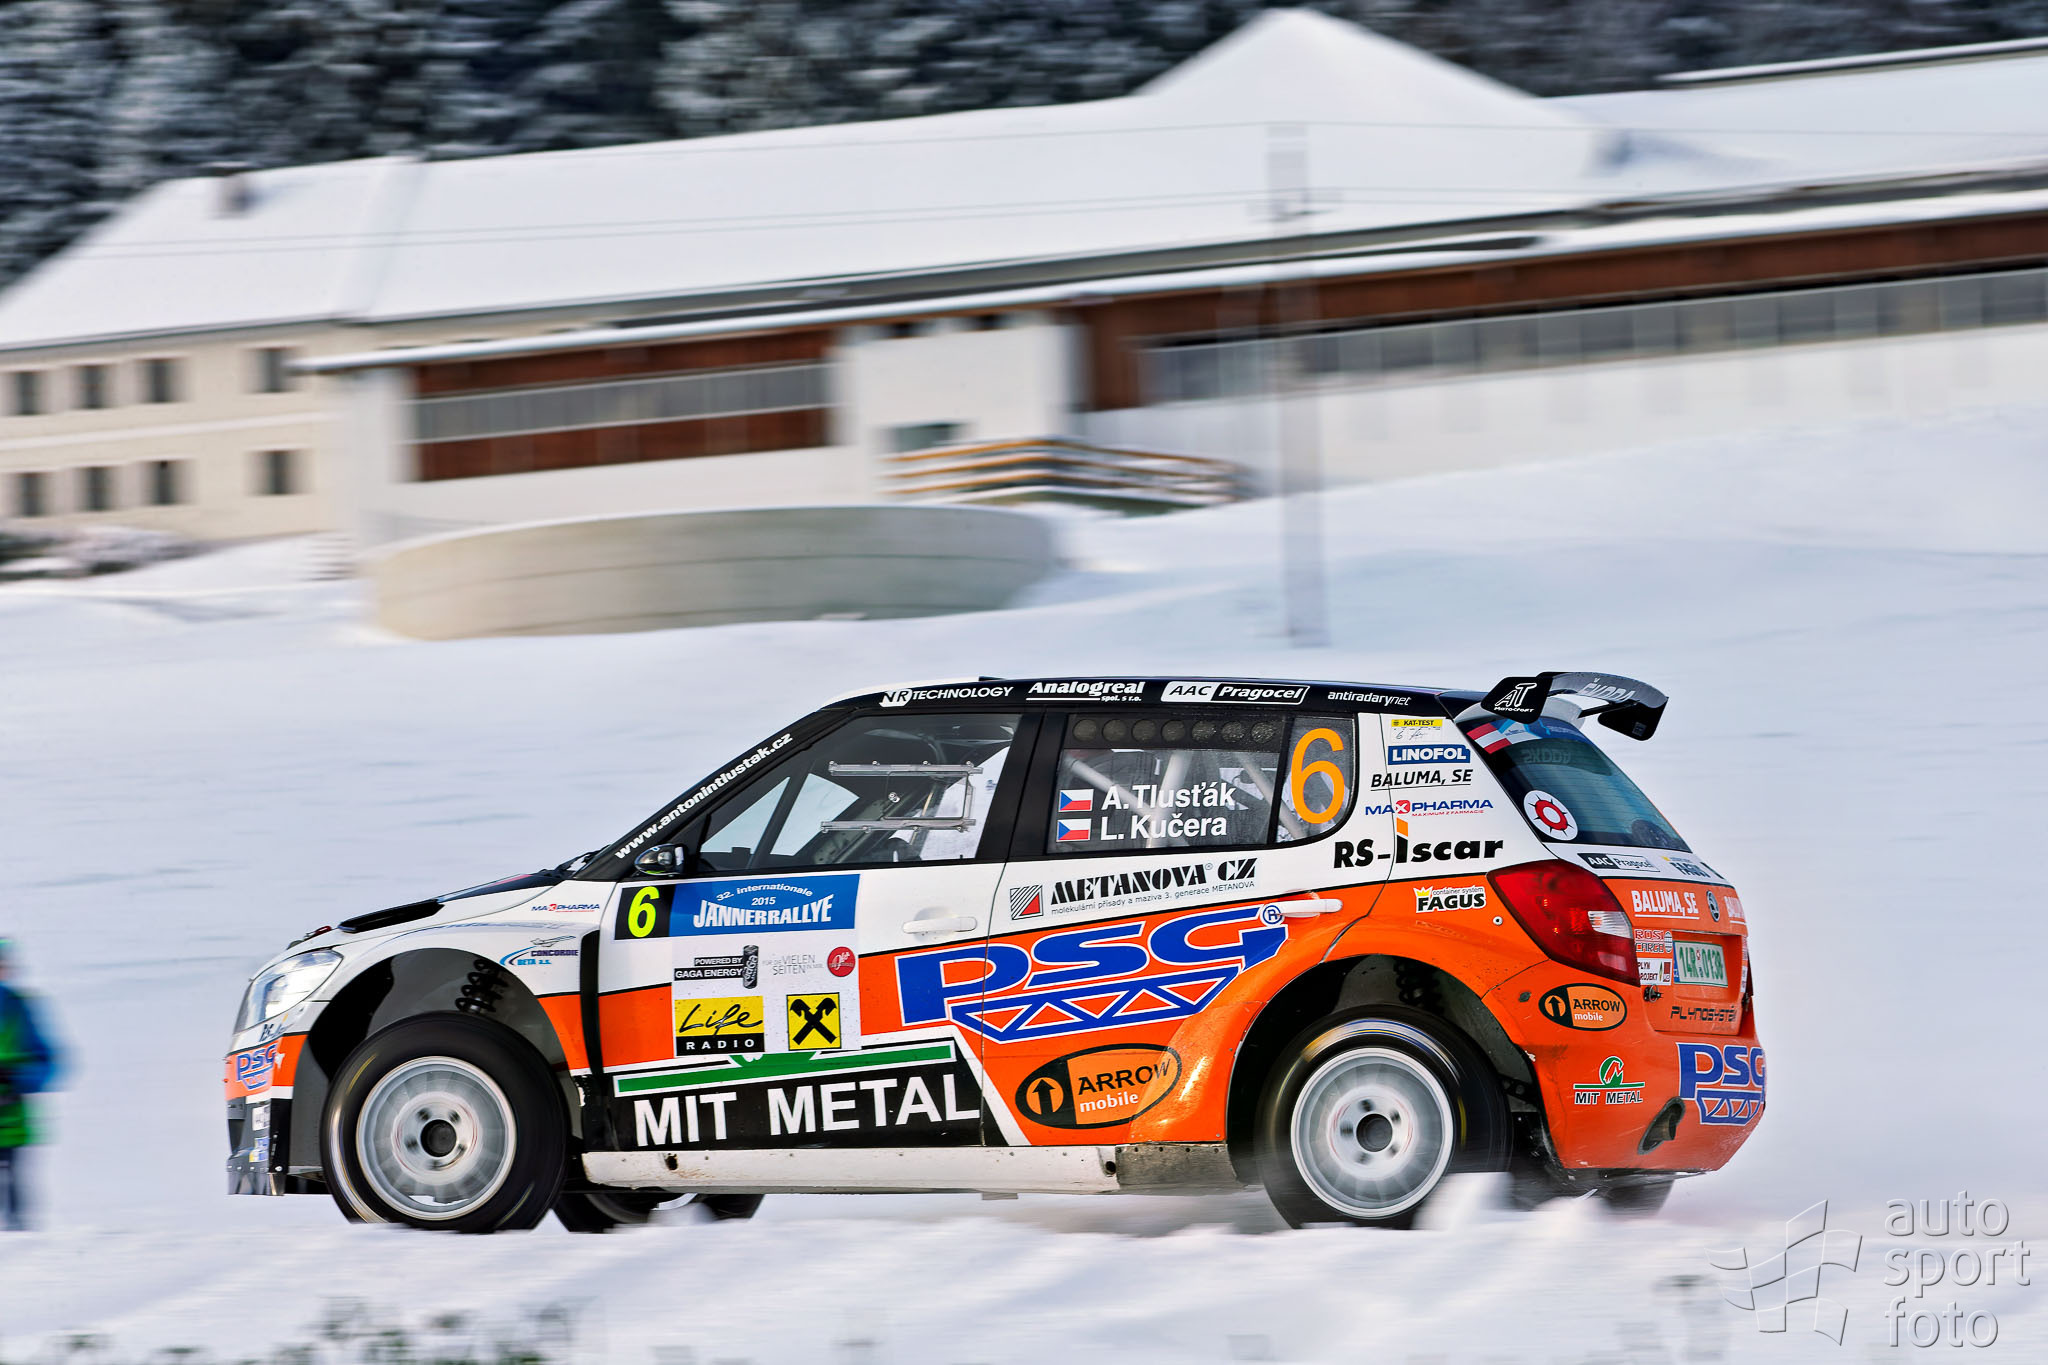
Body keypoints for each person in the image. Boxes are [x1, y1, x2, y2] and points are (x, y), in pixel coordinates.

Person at [0, 937, 58, 1231]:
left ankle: (19, 1240)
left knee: (15, 1195)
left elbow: (48, 1061)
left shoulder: (19, 1007)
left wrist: (15, 1079)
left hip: (12, 1122)